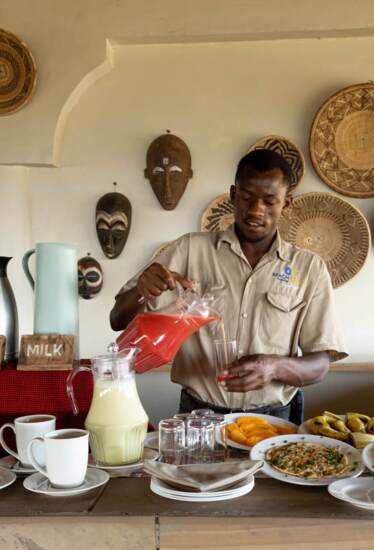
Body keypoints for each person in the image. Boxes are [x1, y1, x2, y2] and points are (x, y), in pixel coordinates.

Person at [110, 149, 347, 424]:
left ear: (287, 203)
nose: (256, 210)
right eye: (247, 198)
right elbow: (117, 319)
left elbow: (319, 367)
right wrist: (141, 289)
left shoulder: (308, 269)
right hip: (198, 418)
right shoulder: (189, 250)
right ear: (233, 195)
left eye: (270, 201)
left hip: (272, 421)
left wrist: (275, 367)